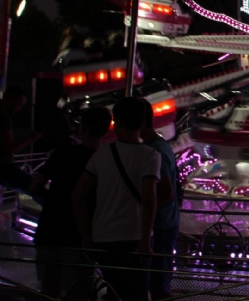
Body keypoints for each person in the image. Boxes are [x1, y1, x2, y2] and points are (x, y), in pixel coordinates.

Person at [73, 97, 161, 301]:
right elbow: (149, 198)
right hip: (135, 237)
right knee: (136, 294)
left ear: (117, 122)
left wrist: (86, 236)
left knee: (113, 292)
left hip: (104, 237)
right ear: (142, 122)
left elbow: (78, 194)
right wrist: (146, 241)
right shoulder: (151, 155)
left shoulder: (102, 153)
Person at [31, 107, 112, 300]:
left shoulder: (63, 152)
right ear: (106, 131)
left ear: (82, 128)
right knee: (79, 291)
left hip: (49, 230)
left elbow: (35, 186)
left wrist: (52, 200)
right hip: (80, 236)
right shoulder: (104, 159)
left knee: (49, 289)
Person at [140, 98, 180, 301]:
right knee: (159, 281)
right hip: (166, 222)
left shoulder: (155, 151)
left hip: (161, 225)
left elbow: (166, 192)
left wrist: (143, 203)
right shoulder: (163, 146)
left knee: (158, 284)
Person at [0, 86, 43, 197]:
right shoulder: (3, 118)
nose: (19, 109)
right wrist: (30, 138)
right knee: (36, 188)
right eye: (19, 104)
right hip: (3, 168)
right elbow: (9, 148)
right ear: (11, 99)